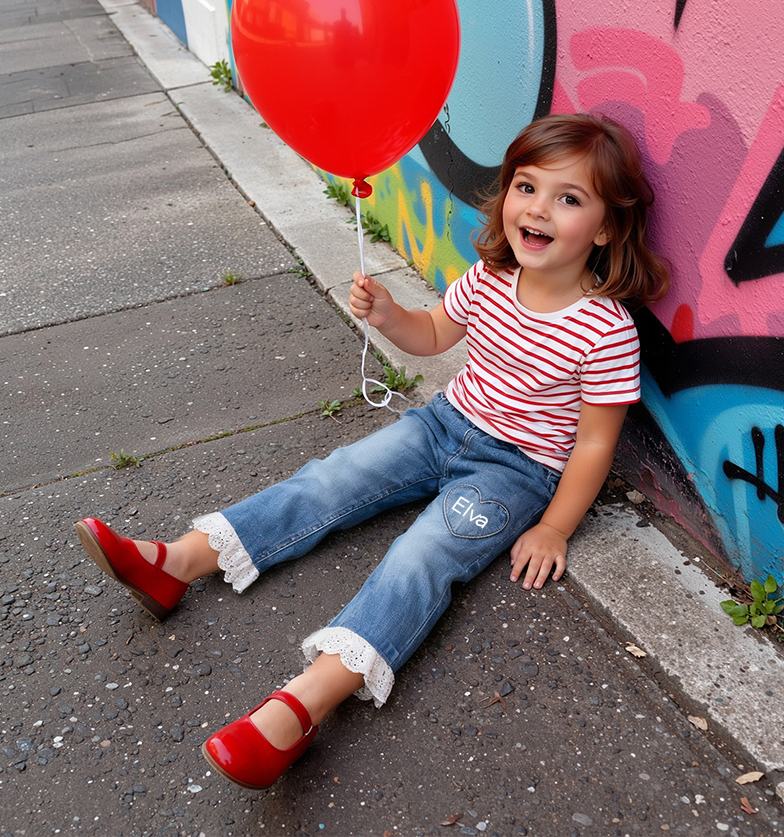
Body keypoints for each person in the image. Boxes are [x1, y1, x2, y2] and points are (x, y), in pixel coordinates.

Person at [75, 112, 670, 790]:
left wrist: (556, 525)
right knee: (334, 479)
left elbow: (595, 440)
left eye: (568, 199)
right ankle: (175, 562)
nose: (537, 209)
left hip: (516, 472)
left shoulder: (605, 331)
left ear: (605, 227)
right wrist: (391, 317)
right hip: (444, 424)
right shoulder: (489, 278)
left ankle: (300, 706)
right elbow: (434, 333)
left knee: (422, 556)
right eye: (526, 187)